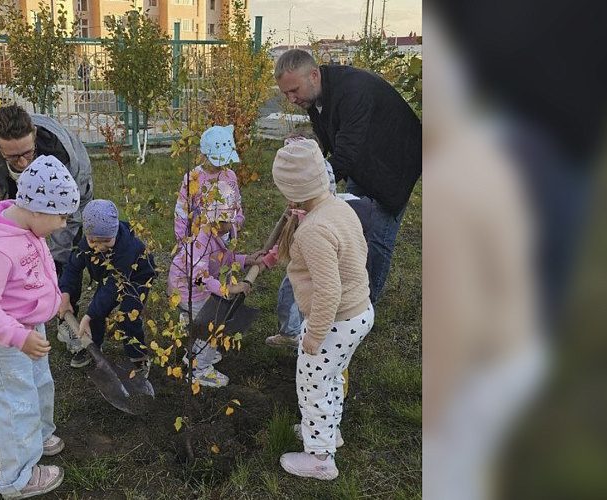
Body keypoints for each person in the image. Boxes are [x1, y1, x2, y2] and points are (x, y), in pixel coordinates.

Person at [0, 155, 80, 498]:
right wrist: (18, 337)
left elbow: (38, 268)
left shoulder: (28, 227)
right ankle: (17, 478)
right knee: (16, 401)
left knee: (39, 385)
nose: (63, 224)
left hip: (30, 328)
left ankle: (39, 436)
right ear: (35, 208)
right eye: (60, 216)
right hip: (8, 339)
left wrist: (55, 297)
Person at [275, 49, 421, 304]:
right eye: (286, 93)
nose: (291, 99)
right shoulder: (315, 95)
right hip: (366, 159)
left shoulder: (352, 91)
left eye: (294, 90)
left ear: (314, 75)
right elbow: (331, 143)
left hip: (396, 164)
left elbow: (347, 153)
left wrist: (312, 188)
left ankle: (365, 306)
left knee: (378, 234)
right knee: (352, 227)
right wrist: (309, 170)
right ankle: (349, 293)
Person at [269, 139, 374, 480]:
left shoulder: (314, 230)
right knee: (330, 378)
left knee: (312, 385)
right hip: (359, 311)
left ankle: (319, 459)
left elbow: (329, 289)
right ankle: (329, 433)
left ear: (291, 190)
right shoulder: (339, 206)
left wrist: (314, 334)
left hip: (334, 320)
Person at [0, 104, 94, 354]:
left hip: (69, 190)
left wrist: (53, 277)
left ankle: (64, 313)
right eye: (13, 156)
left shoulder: (60, 155)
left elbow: (65, 222)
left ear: (34, 134)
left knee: (61, 253)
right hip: (17, 190)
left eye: (27, 152)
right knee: (17, 245)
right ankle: (13, 304)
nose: (23, 161)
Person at [168, 182, 263, 387]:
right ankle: (199, 370)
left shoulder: (224, 233)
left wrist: (247, 259)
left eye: (225, 221)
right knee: (212, 326)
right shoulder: (201, 239)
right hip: (187, 290)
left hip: (194, 287)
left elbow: (223, 258)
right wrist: (226, 289)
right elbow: (199, 277)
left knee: (199, 324)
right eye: (216, 220)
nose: (220, 226)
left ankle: (193, 354)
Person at [57, 200, 157, 372]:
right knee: (96, 313)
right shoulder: (85, 243)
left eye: (106, 241)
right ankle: (93, 348)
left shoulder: (127, 247)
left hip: (137, 278)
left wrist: (88, 315)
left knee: (127, 317)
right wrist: (65, 295)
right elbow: (72, 268)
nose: (99, 247)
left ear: (115, 231)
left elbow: (114, 287)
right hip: (109, 277)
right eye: (93, 241)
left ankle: (139, 356)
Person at [174, 125, 244, 245]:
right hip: (199, 240)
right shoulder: (193, 177)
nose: (219, 165)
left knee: (222, 262)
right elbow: (182, 210)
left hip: (224, 238)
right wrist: (182, 240)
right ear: (204, 155)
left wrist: (237, 221)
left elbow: (236, 202)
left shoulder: (230, 176)